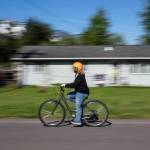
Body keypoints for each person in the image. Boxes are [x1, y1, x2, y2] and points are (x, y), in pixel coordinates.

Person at [61, 61, 89, 126]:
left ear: (78, 68)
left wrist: (65, 85)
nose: (73, 69)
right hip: (79, 91)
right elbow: (76, 84)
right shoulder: (77, 74)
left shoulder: (80, 75)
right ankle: (80, 105)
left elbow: (74, 84)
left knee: (78, 106)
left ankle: (78, 121)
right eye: (73, 68)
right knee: (69, 96)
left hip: (82, 92)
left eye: (75, 68)